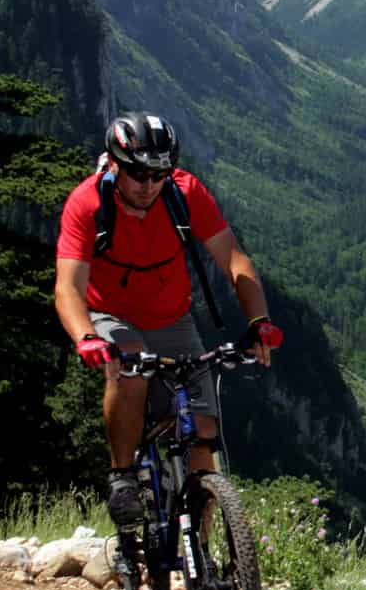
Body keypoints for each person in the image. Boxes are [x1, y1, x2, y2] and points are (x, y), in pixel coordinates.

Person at [54, 111, 284, 525]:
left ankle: (206, 569)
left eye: (159, 175)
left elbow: (234, 259)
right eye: (138, 174)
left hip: (174, 320)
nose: (148, 185)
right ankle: (122, 477)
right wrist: (86, 337)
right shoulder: (87, 203)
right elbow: (67, 288)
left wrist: (258, 320)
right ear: (113, 165)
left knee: (203, 436)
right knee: (130, 362)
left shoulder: (183, 192)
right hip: (111, 315)